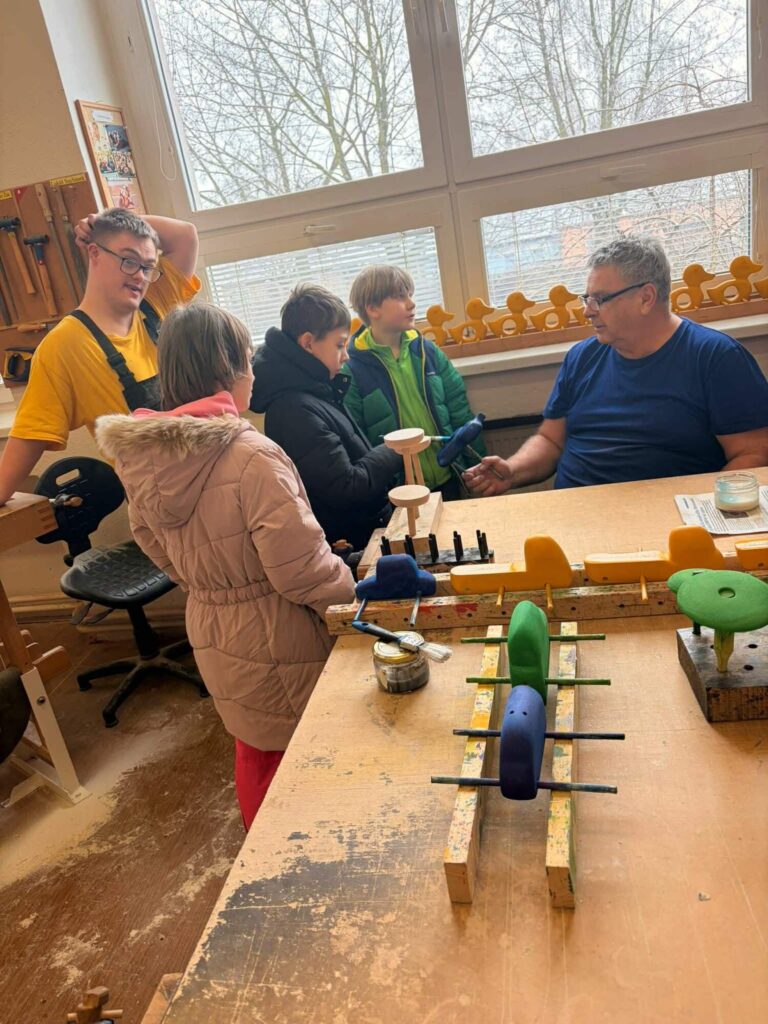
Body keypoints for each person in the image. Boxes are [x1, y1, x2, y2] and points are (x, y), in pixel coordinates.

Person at [95, 302, 355, 829]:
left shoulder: (142, 458)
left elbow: (151, 541)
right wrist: (351, 599)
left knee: (254, 743)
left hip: (211, 624)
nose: (254, 374)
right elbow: (301, 570)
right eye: (248, 362)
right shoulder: (251, 455)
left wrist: (208, 581)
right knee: (301, 759)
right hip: (278, 629)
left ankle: (260, 851)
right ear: (229, 368)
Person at [464, 236, 768, 497]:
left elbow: (753, 454)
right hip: (575, 515)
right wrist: (512, 471)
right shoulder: (581, 357)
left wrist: (700, 511)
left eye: (599, 299)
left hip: (665, 525)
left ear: (646, 298)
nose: (587, 311)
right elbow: (551, 440)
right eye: (587, 298)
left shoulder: (716, 357)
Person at [0, 208, 200, 505]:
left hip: (213, 477)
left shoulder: (157, 305)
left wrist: (106, 218)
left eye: (147, 267)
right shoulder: (65, 345)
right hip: (166, 505)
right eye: (128, 261)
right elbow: (30, 436)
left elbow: (185, 235)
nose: (140, 276)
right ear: (94, 253)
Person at [250, 284, 401, 553]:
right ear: (308, 343)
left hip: (368, 532)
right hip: (355, 543)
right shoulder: (294, 411)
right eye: (340, 345)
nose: (346, 355)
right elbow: (346, 487)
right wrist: (393, 451)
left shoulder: (316, 389)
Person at [344, 265, 486, 499]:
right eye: (401, 297)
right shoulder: (352, 370)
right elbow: (355, 438)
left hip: (447, 477)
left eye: (410, 295)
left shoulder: (428, 352)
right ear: (372, 308)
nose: (411, 304)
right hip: (398, 490)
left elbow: (459, 410)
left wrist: (477, 467)